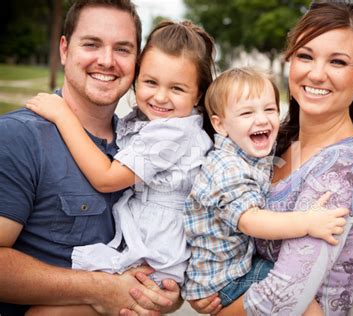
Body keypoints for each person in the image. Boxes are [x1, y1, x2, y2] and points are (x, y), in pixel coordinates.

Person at [191, 1, 353, 315]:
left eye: (337, 61)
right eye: (305, 56)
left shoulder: (345, 169)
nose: (317, 74)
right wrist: (203, 281)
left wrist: (216, 308)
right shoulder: (273, 141)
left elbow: (280, 300)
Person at [24, 19, 216, 315]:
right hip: (145, 252)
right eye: (151, 82)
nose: (160, 97)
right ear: (137, 79)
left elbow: (106, 177)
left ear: (198, 95)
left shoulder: (174, 132)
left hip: (153, 259)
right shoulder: (151, 123)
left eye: (177, 88)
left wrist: (63, 115)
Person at [0, 1, 181, 315]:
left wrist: (164, 293)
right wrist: (101, 290)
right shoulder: (18, 137)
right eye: (92, 44)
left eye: (123, 49)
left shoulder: (145, 145)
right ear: (65, 50)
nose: (107, 61)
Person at [182, 67, 349, 313]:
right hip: (225, 280)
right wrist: (308, 222)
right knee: (302, 302)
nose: (261, 119)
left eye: (269, 109)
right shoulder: (227, 168)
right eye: (247, 112)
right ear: (220, 125)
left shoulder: (248, 150)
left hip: (238, 265)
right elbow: (252, 222)